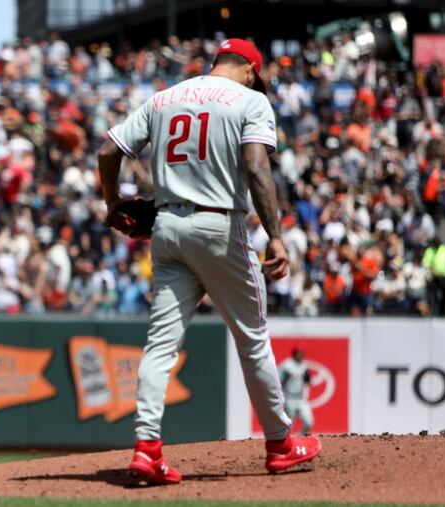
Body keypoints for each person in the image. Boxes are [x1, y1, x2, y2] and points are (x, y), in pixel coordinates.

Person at [98, 38, 321, 485]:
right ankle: (280, 443)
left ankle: (147, 449)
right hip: (220, 226)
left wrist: (115, 207)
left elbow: (109, 151)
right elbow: (257, 167)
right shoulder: (249, 100)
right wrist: (275, 236)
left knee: (161, 344)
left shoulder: (165, 97)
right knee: (252, 338)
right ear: (250, 70)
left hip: (167, 228)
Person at [278, 346, 314, 436]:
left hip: (301, 400)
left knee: (308, 422)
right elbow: (278, 381)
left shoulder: (303, 365)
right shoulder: (286, 365)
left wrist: (308, 378)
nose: (301, 355)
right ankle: (286, 443)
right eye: (299, 353)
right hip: (289, 399)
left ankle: (301, 440)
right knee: (289, 426)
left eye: (302, 353)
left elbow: (307, 380)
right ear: (294, 353)